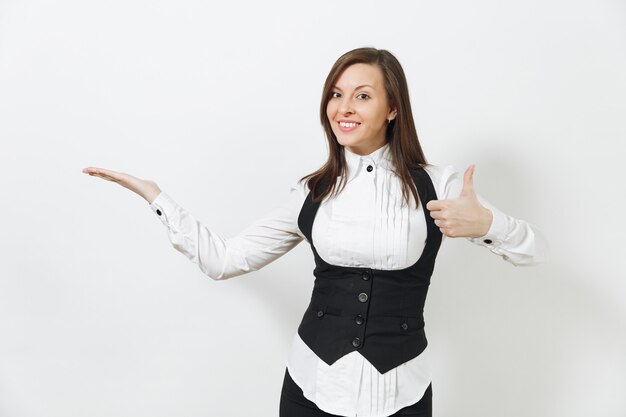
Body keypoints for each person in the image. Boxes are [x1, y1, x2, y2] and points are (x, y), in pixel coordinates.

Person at [83, 47, 547, 417]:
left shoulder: (438, 185)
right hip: (311, 388)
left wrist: (487, 225)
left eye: (362, 96)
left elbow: (534, 251)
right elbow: (224, 260)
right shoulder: (312, 193)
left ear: (392, 109)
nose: (343, 108)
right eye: (335, 94)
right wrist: (156, 197)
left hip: (403, 391)